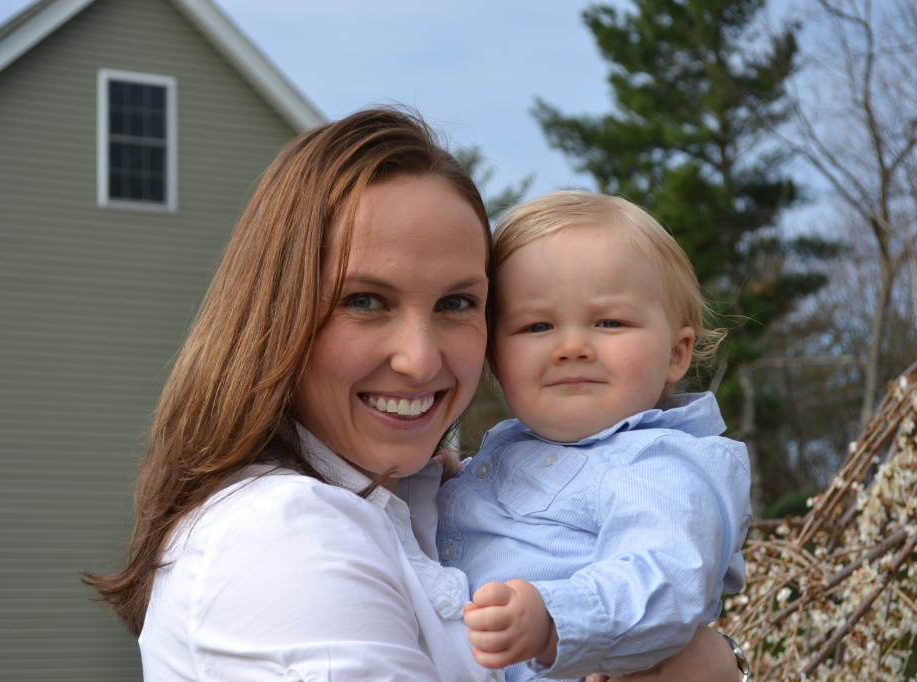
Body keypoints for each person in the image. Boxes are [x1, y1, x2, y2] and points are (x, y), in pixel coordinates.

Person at [84, 109, 745, 681]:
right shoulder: (284, 542)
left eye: (457, 302)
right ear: (278, 314)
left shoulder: (412, 496)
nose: (421, 358)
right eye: (365, 301)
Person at [436, 190, 752, 681]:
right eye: (537, 325)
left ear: (676, 353)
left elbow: (666, 576)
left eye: (610, 322)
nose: (573, 347)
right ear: (497, 361)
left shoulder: (659, 463)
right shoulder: (513, 451)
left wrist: (554, 623)